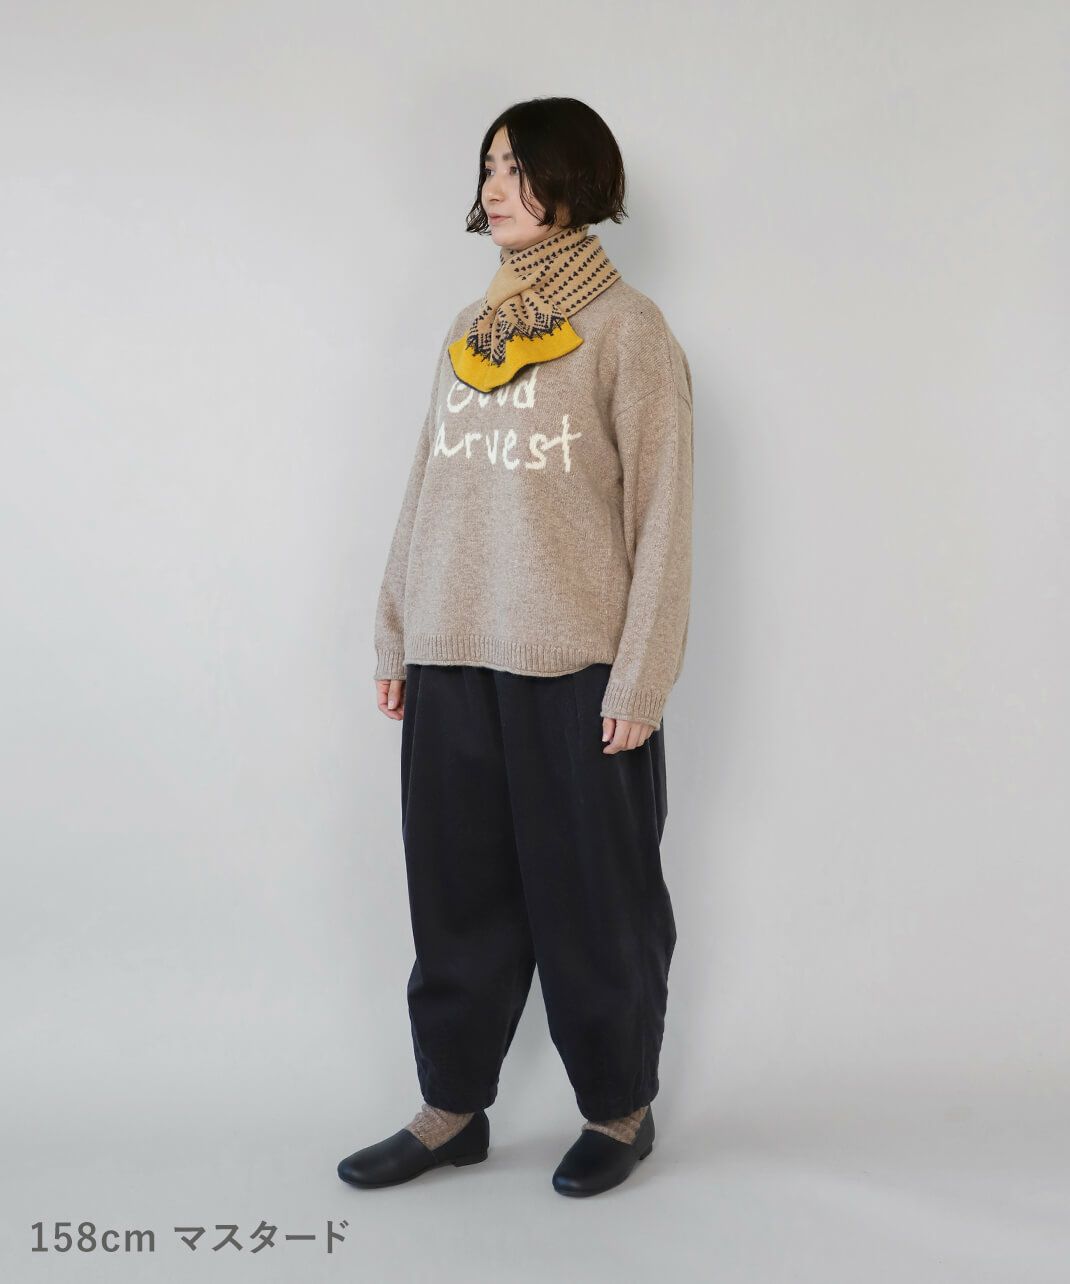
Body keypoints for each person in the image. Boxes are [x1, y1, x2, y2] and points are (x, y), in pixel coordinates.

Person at [337, 96, 693, 1198]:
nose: (495, 188)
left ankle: (619, 1111)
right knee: (456, 901)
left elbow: (664, 518)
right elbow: (428, 485)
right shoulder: (470, 329)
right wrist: (397, 632)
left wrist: (640, 676)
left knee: (595, 905)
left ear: (574, 183)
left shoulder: (629, 331)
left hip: (575, 670)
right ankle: (451, 1111)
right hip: (453, 656)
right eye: (489, 166)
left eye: (519, 168)